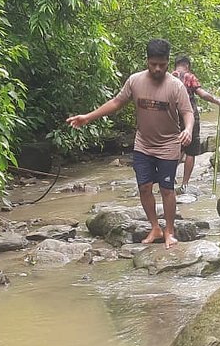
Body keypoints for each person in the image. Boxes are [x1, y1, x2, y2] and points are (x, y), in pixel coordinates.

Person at [67, 39, 193, 248]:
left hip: (169, 144)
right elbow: (117, 102)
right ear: (147, 61)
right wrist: (88, 117)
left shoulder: (175, 86)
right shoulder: (135, 81)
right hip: (143, 143)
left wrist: (187, 130)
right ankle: (155, 227)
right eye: (153, 64)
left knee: (167, 189)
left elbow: (187, 112)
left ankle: (169, 231)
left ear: (168, 62)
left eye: (162, 64)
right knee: (144, 187)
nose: (157, 68)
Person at [172, 54, 220, 191]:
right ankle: (184, 184)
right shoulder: (189, 77)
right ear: (187, 65)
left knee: (177, 147)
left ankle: (169, 178)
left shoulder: (170, 77)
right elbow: (202, 94)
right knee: (191, 150)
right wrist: (217, 101)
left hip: (172, 117)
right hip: (190, 116)